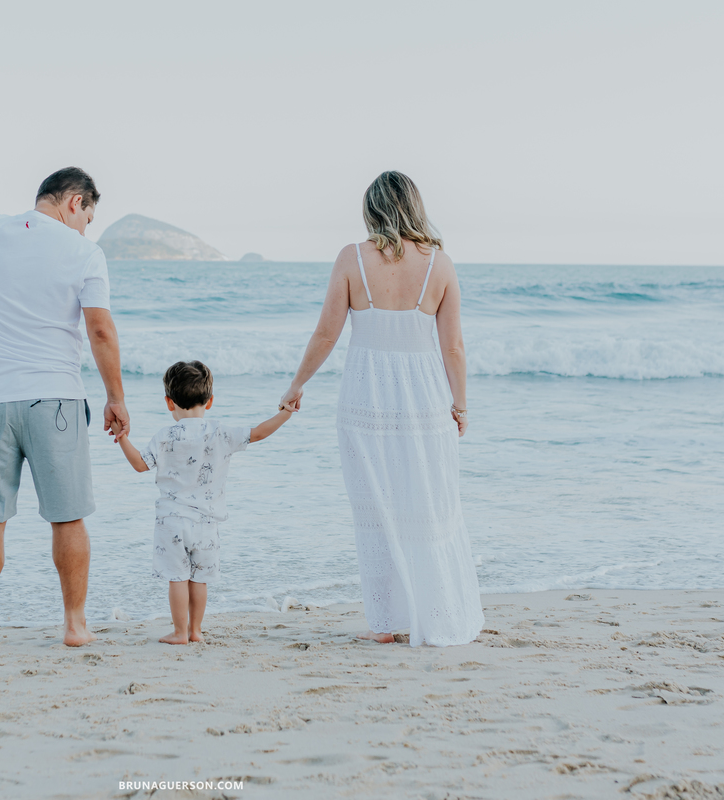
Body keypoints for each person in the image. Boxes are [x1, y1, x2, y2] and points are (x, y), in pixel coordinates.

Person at [280, 171, 485, 647]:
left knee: (375, 509)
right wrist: (461, 405)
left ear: (372, 208)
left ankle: (390, 624)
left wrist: (297, 385)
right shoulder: (441, 264)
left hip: (365, 398)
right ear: (414, 206)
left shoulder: (352, 258)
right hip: (425, 399)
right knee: (429, 506)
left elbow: (326, 334)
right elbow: (453, 347)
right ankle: (436, 614)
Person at [0, 166, 129, 649]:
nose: (88, 227)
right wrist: (116, 398)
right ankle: (74, 625)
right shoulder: (84, 251)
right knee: (68, 516)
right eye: (89, 215)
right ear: (74, 202)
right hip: (56, 398)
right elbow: (101, 330)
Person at [116, 360, 294, 645]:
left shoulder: (164, 436)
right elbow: (258, 432)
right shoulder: (220, 432)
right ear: (209, 401)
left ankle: (178, 632)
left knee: (177, 578)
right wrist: (285, 414)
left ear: (168, 402)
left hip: (171, 521)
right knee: (199, 580)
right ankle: (196, 631)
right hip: (207, 522)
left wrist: (122, 436)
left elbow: (140, 464)